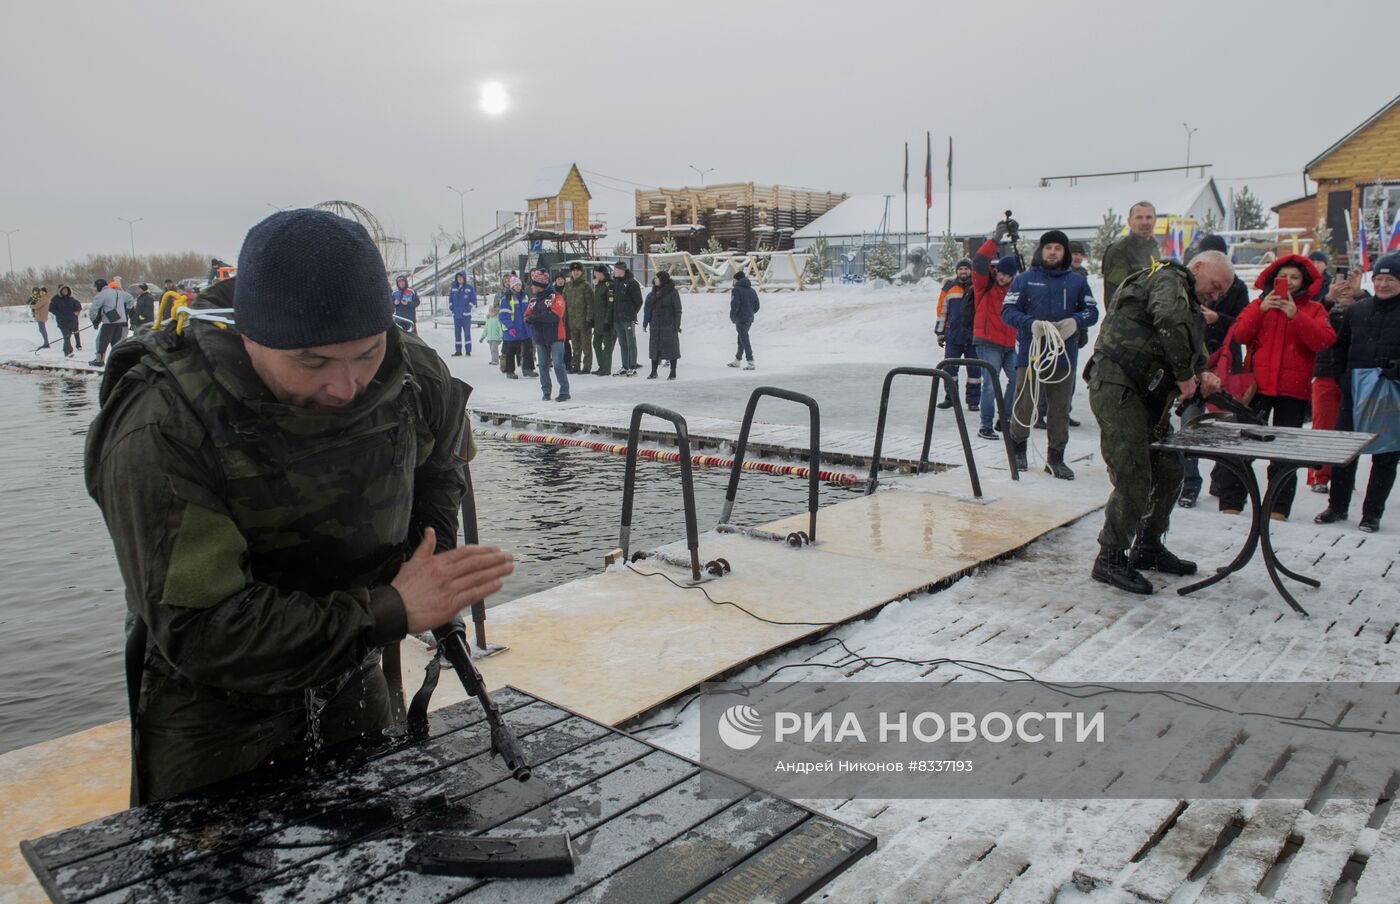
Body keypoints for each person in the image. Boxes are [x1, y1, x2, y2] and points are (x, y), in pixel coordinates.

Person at [84, 208, 514, 802]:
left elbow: (441, 462)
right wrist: (390, 608)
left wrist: (427, 559)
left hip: (355, 671)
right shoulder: (162, 424)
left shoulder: (412, 374)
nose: (345, 386)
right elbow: (203, 632)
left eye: (365, 354)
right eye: (311, 363)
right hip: (215, 716)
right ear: (249, 336)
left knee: (376, 846)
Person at [1085, 250, 1233, 594]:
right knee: (1134, 474)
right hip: (1120, 388)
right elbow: (1166, 318)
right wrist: (1185, 375)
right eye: (1214, 285)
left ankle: (1148, 546)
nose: (1215, 295)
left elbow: (1184, 342)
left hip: (1148, 397)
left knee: (1168, 470)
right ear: (1197, 267)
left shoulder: (1188, 300)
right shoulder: (1168, 278)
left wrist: (1201, 373)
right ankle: (1110, 556)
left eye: (1221, 292)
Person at [1212, 254, 1335, 520]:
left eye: (1294, 277)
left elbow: (1323, 341)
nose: (1288, 282)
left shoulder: (1314, 309)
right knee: (1243, 445)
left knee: (1284, 453)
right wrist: (1261, 310)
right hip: (1257, 388)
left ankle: (1278, 508)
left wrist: (1296, 316)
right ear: (1273, 279)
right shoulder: (1259, 304)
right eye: (1283, 277)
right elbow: (1240, 334)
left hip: (1293, 391)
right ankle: (1231, 502)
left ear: (1304, 281)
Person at [1001, 230, 1099, 479]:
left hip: (1063, 356)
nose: (1053, 252)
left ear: (1064, 252)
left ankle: (1056, 457)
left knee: (1059, 409)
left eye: (1058, 247)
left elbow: (1092, 312)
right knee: (1024, 404)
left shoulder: (1076, 281)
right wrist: (1030, 323)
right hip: (1031, 354)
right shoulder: (1025, 279)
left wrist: (1075, 322)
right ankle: (1019, 450)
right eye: (1048, 247)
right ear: (1041, 251)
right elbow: (1008, 311)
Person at [1315, 252, 1400, 532]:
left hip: (1391, 393)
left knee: (1386, 456)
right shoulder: (1357, 310)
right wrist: (1343, 378)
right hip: (1354, 392)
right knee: (1344, 450)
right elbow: (1338, 347)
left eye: (1390, 279)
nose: (1384, 284)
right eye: (1379, 278)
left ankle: (1372, 514)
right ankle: (1337, 506)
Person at [1177, 234, 1251, 508]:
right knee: (1189, 425)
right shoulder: (1180, 286)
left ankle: (1221, 479)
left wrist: (1218, 318)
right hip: (1193, 363)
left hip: (1226, 364)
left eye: (1220, 287)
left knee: (1225, 426)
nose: (1215, 293)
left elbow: (1244, 326)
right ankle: (1189, 482)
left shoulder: (1237, 288)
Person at [1306, 268, 1360, 494]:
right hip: (1326, 370)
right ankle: (1319, 474)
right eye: (1341, 284)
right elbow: (1309, 323)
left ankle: (1344, 476)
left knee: (1351, 430)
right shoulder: (1322, 307)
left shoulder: (1363, 307)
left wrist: (1359, 295)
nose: (1344, 289)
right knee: (1322, 425)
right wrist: (1328, 298)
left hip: (1355, 372)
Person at [969, 228, 1020, 440]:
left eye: (1009, 275)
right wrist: (995, 240)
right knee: (990, 384)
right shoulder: (984, 284)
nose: (1004, 278)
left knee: (1018, 379)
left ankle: (1005, 418)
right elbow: (979, 262)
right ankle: (985, 425)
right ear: (996, 271)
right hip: (987, 341)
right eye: (1002, 273)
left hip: (1009, 343)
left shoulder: (1015, 288)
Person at [935, 259, 980, 409]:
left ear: (971, 271)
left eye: (966, 269)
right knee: (949, 369)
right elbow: (942, 311)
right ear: (956, 271)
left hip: (973, 336)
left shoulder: (978, 287)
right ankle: (951, 398)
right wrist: (940, 332)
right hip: (953, 336)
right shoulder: (949, 288)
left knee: (974, 371)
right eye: (960, 269)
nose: (963, 272)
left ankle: (973, 401)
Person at [1102, 201, 1159, 308]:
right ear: (1129, 221)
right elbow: (1115, 295)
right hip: (1127, 321)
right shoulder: (1119, 251)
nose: (1144, 222)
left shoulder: (1154, 248)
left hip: (1150, 319)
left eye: (1148, 217)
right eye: (1139, 217)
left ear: (1155, 220)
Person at [526, 269, 570, 401]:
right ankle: (546, 391)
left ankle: (564, 391)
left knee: (557, 364)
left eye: (534, 285)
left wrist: (535, 318)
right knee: (543, 366)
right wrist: (529, 318)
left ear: (540, 286)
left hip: (556, 336)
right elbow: (527, 314)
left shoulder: (556, 297)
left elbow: (555, 315)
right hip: (540, 338)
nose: (532, 287)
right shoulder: (533, 300)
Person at [644, 270, 683, 380]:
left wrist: (676, 325)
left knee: (671, 349)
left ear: (662, 279)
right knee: (654, 348)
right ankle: (653, 371)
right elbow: (649, 307)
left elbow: (678, 310)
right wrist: (648, 322)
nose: (654, 279)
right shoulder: (654, 291)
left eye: (656, 278)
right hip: (656, 325)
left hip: (668, 324)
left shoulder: (672, 292)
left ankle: (673, 372)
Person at [88, 279, 135, 367]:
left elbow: (93, 309)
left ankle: (99, 360)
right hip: (121, 321)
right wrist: (127, 310)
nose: (95, 288)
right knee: (116, 342)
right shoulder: (119, 293)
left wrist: (94, 321)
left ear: (99, 286)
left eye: (95, 286)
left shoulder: (101, 294)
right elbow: (131, 299)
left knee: (103, 341)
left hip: (109, 322)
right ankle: (117, 360)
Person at [498, 276, 533, 379]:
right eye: (516, 285)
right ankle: (510, 371)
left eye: (519, 285)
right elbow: (503, 316)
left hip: (524, 328)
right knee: (510, 351)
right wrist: (510, 327)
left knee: (528, 349)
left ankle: (528, 369)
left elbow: (529, 310)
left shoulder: (525, 296)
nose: (518, 287)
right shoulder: (506, 298)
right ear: (512, 286)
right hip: (512, 330)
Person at [612, 261, 643, 377]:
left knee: (631, 342)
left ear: (621, 270)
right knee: (622, 342)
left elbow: (639, 301)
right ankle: (625, 366)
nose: (614, 271)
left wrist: (632, 313)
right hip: (618, 319)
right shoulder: (615, 282)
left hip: (628, 318)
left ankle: (632, 366)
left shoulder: (632, 283)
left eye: (616, 269)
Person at [563, 262, 593, 374]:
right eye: (573, 271)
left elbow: (590, 304)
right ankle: (575, 365)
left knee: (586, 345)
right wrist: (564, 320)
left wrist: (589, 318)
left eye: (578, 270)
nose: (575, 272)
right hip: (572, 321)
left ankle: (587, 366)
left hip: (584, 320)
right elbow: (564, 304)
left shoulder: (586, 286)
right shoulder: (568, 286)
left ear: (582, 272)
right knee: (575, 345)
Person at [729, 269, 759, 370]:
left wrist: (733, 317)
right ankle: (737, 360)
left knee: (744, 339)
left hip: (741, 318)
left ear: (737, 280)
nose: (732, 282)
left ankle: (750, 362)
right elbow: (757, 306)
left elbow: (734, 305)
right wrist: (750, 313)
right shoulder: (752, 290)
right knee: (741, 339)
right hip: (749, 318)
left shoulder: (736, 290)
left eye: (733, 280)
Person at [589, 264, 615, 375]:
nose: (594, 275)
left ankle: (606, 368)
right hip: (598, 320)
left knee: (607, 344)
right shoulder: (599, 285)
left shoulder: (609, 285)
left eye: (596, 273)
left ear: (601, 273)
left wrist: (607, 321)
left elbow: (610, 305)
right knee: (596, 343)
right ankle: (602, 366)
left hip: (606, 320)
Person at [448, 271, 476, 357]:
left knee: (467, 333)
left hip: (466, 316)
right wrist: (451, 307)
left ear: (464, 278)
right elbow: (450, 299)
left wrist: (467, 308)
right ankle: (458, 351)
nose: (459, 279)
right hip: (456, 315)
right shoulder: (453, 288)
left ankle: (468, 351)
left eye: (461, 277)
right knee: (457, 333)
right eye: (458, 277)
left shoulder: (469, 288)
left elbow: (473, 300)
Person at [50, 285, 83, 356]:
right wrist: (59, 314)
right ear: (60, 291)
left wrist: (77, 310)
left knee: (68, 336)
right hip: (62, 321)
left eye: (66, 290)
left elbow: (78, 305)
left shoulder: (71, 299)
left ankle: (66, 349)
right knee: (66, 336)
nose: (65, 291)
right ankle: (69, 352)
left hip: (71, 321)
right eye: (64, 290)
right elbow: (51, 308)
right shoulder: (55, 299)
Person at [481, 294, 503, 365]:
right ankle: (493, 359)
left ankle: (495, 360)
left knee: (494, 349)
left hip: (496, 338)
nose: (492, 313)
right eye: (490, 311)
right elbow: (486, 329)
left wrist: (501, 335)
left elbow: (500, 328)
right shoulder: (488, 320)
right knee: (491, 350)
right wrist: (482, 337)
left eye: (493, 311)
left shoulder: (497, 320)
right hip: (490, 338)